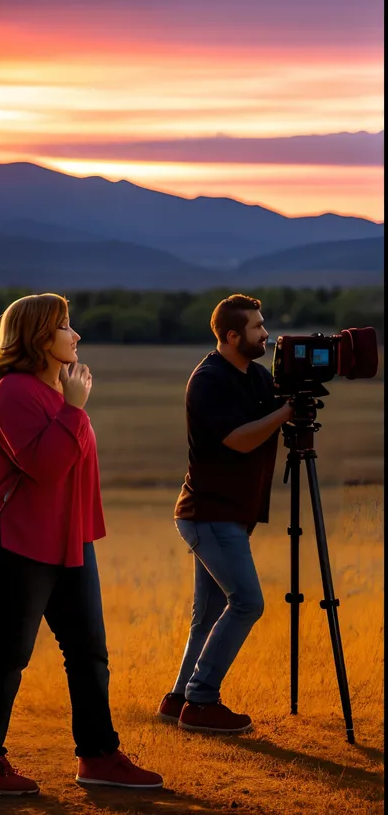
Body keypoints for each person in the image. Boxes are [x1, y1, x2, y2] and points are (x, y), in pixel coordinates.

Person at [0, 293, 163, 795]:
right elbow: (46, 468)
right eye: (66, 327)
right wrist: (73, 410)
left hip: (69, 543)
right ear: (39, 337)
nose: (76, 335)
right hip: (21, 543)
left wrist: (70, 406)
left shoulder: (56, 390)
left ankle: (97, 757)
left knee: (90, 653)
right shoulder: (13, 392)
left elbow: (76, 471)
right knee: (9, 653)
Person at [157, 294, 294, 733]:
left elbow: (271, 413)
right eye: (257, 328)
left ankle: (178, 698)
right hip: (208, 514)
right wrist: (287, 412)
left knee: (211, 613)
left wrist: (291, 401)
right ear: (232, 336)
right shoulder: (209, 380)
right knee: (248, 602)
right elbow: (237, 439)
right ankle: (201, 701)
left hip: (229, 514)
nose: (265, 334)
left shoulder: (254, 377)